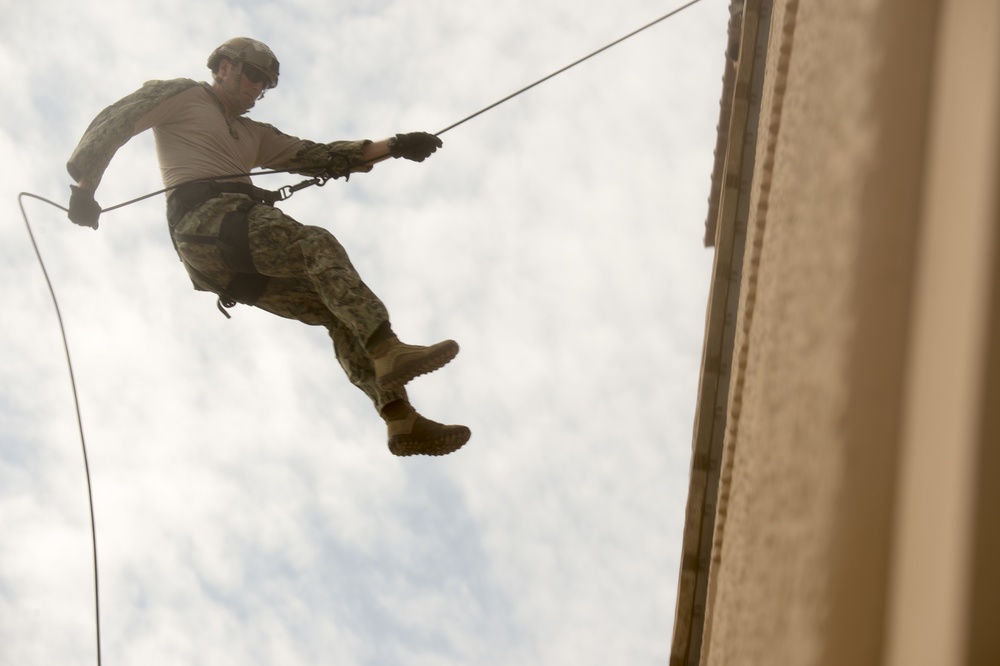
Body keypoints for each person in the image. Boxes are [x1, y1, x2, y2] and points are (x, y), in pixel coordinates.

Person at [65, 37, 470, 457]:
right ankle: (386, 347)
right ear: (224, 67)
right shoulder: (184, 95)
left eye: (266, 84)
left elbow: (319, 156)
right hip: (208, 223)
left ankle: (398, 418)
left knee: (334, 311)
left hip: (227, 266)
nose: (258, 88)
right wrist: (85, 187)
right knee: (314, 243)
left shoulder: (252, 135)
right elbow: (119, 119)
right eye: (254, 75)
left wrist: (396, 146)